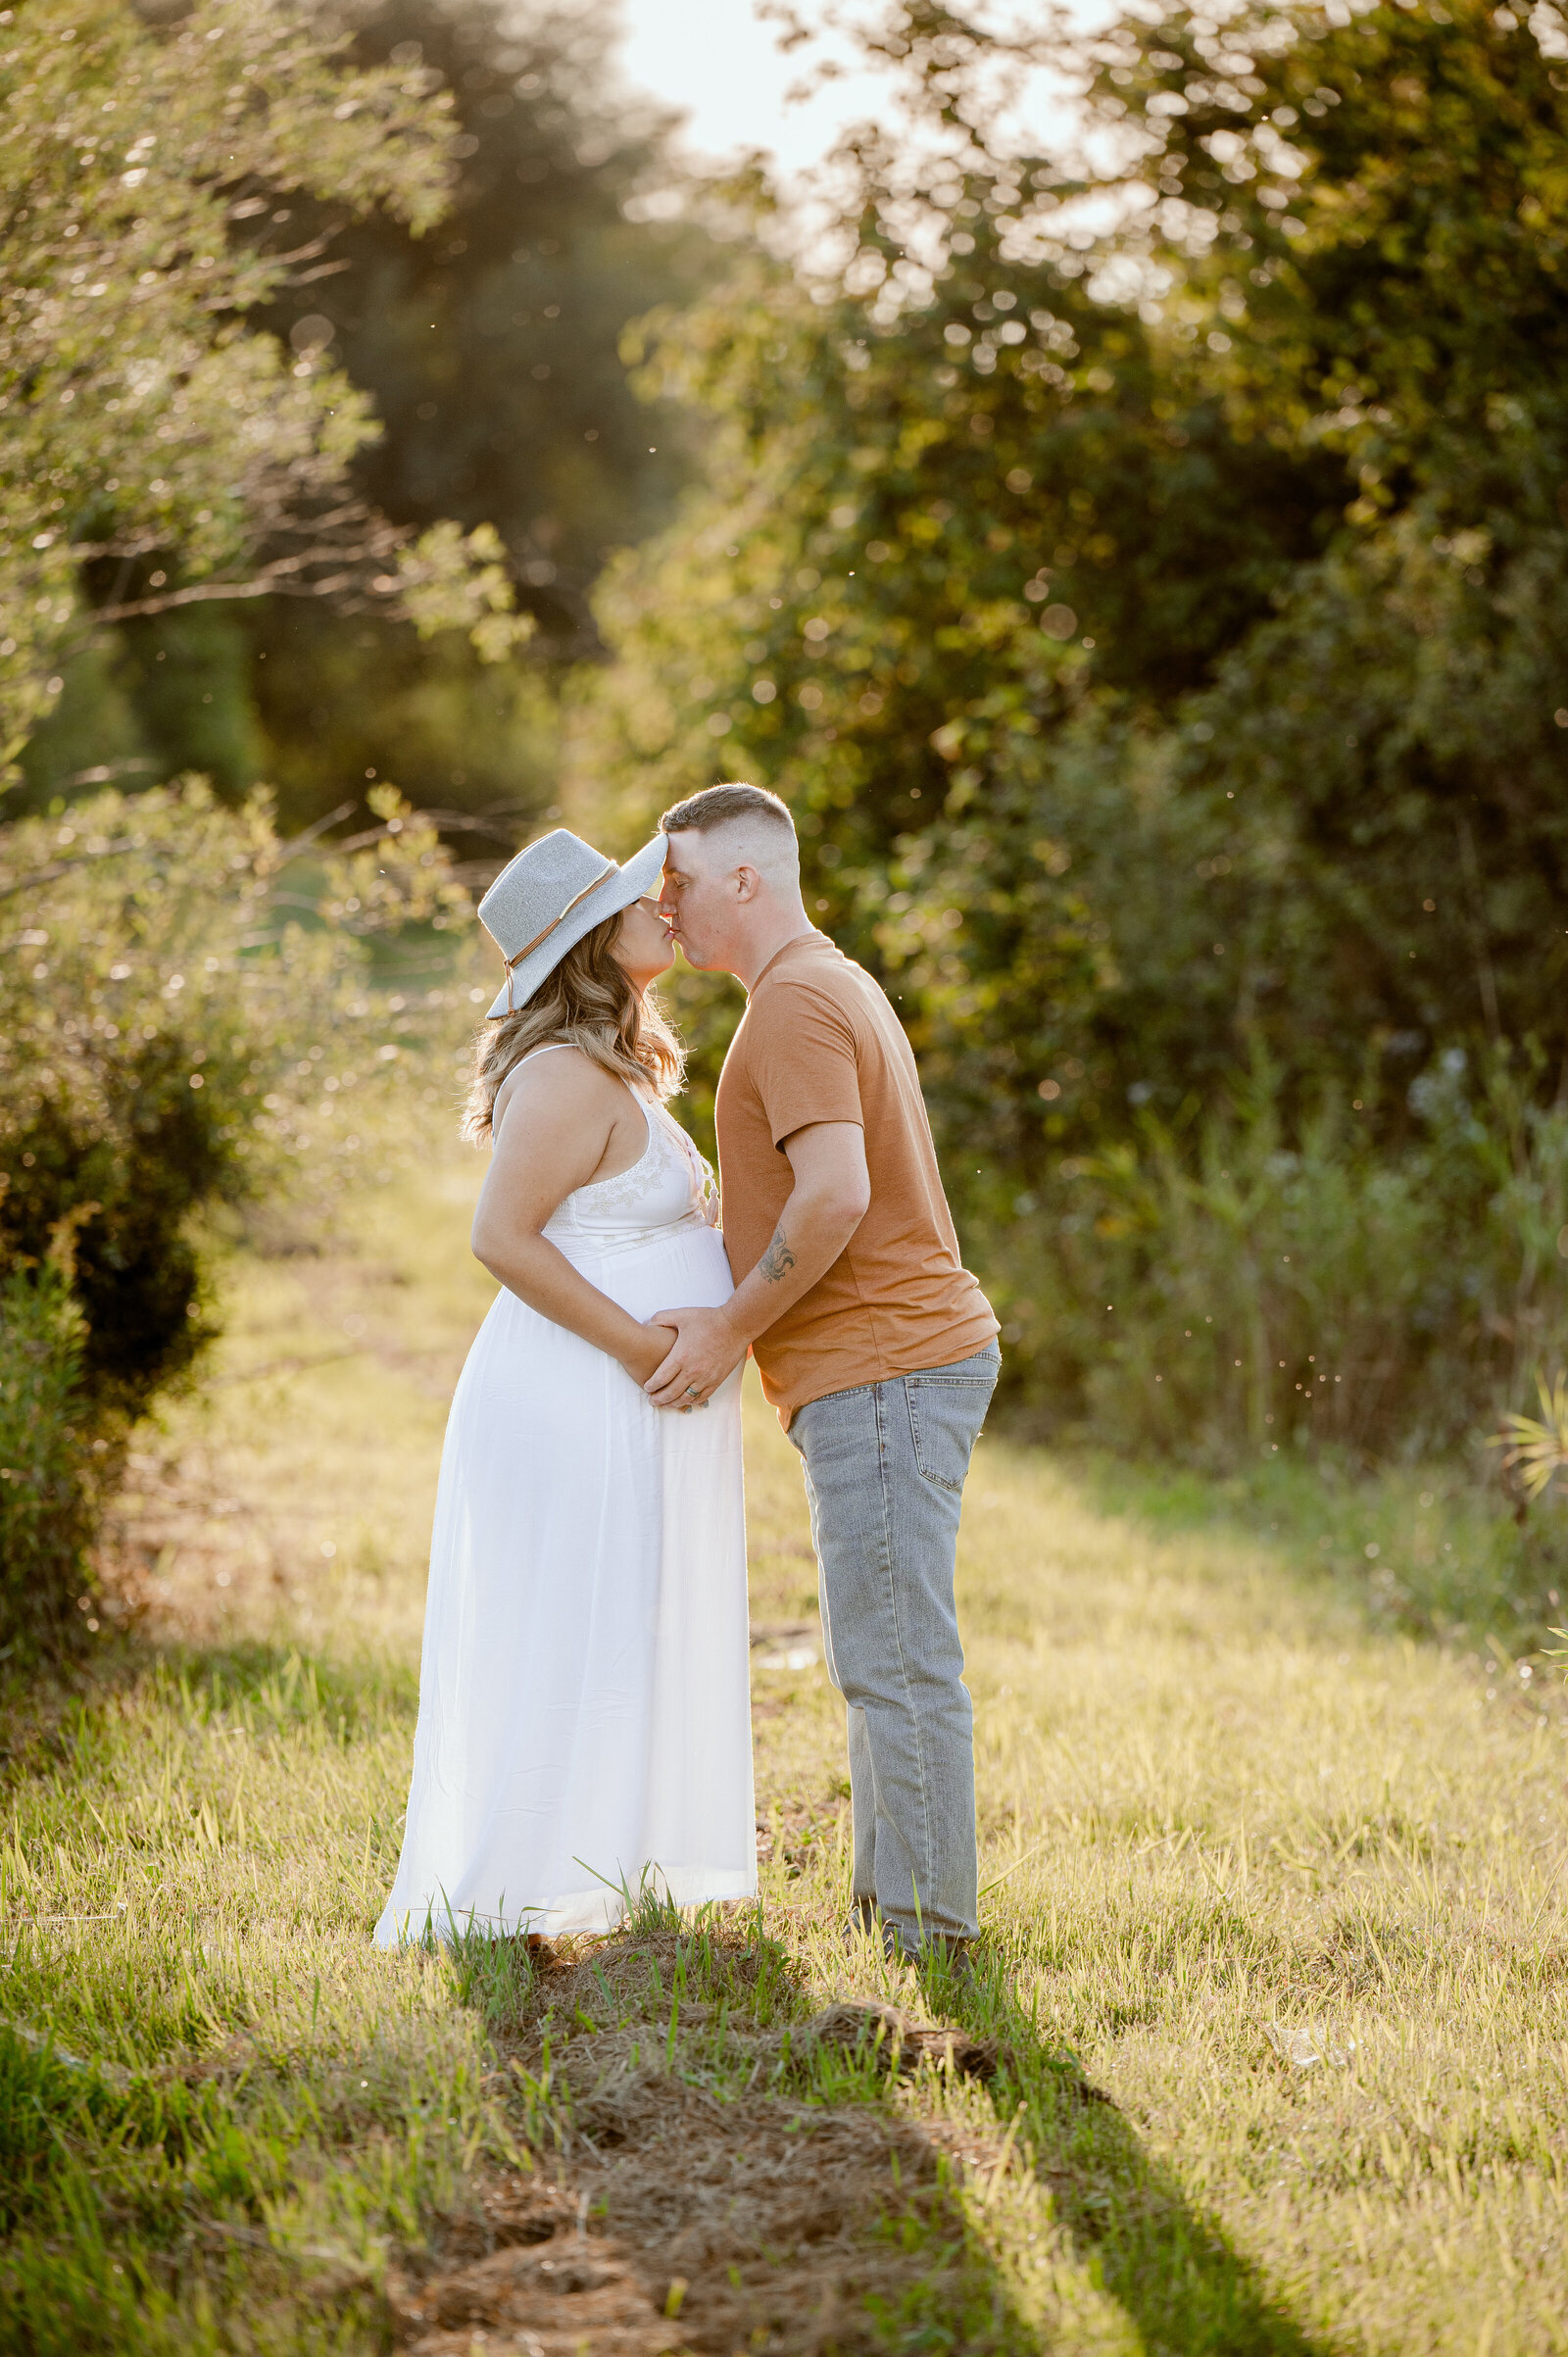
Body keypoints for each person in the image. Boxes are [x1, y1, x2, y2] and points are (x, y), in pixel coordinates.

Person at [374, 827, 755, 1946]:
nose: (666, 904)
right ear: (591, 935)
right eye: (644, 895)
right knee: (569, 1620)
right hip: (579, 1391)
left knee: (620, 1618)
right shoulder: (557, 1072)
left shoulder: (614, 1064)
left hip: (617, 1396)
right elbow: (501, 1237)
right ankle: (520, 1884)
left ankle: (618, 1864)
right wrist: (647, 1350)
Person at [652, 784, 1000, 1963]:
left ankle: (926, 1934)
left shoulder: (795, 999)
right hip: (882, 1364)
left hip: (885, 1366)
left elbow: (837, 1194)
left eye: (681, 879)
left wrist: (726, 1327)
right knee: (877, 1653)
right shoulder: (822, 980)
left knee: (896, 1659)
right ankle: (891, 1911)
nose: (667, 903)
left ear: (744, 879)